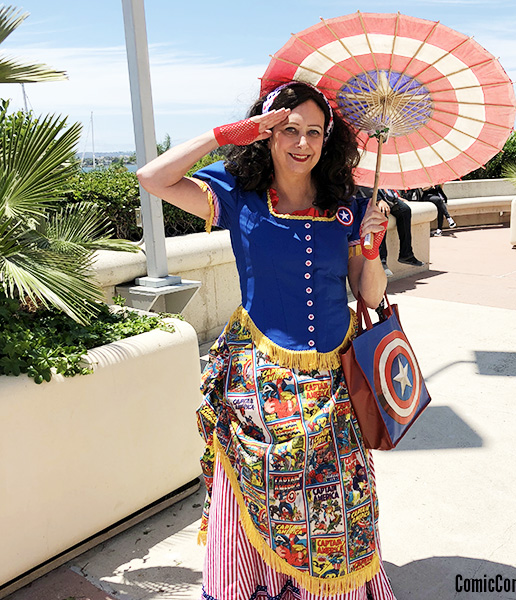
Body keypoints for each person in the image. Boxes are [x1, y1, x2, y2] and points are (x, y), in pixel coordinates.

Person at [137, 81, 395, 600]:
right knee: (263, 488)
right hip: (258, 376)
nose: (302, 143)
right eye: (289, 129)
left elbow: (368, 292)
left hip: (333, 381)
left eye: (314, 132)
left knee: (338, 500)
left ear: (328, 140)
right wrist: (222, 135)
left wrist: (371, 247)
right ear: (268, 133)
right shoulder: (238, 195)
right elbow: (152, 178)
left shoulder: (346, 203)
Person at [355, 187, 424, 275]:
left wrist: (395, 196)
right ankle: (382, 261)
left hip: (381, 194)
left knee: (404, 210)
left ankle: (406, 254)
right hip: (366, 197)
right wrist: (378, 200)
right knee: (381, 213)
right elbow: (364, 184)